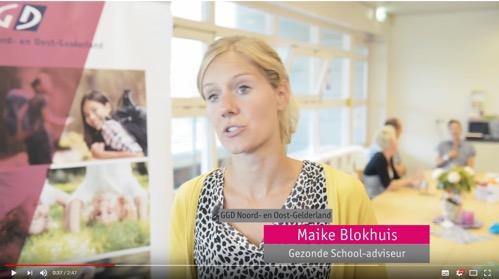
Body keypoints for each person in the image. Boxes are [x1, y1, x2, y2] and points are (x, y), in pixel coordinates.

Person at [168, 36, 383, 279]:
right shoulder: (190, 200)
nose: (225, 107)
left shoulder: (344, 194)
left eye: (242, 88)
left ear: (280, 94)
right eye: (213, 96)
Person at [66, 162, 148, 232]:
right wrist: (142, 226)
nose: (102, 206)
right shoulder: (124, 187)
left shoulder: (92, 188)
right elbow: (141, 199)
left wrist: (75, 234)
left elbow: (74, 203)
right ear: (121, 208)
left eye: (98, 213)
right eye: (109, 211)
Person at [80, 90, 144, 159]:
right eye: (87, 115)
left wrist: (101, 155)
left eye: (94, 110)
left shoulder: (108, 127)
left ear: (107, 107)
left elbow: (138, 155)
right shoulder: (101, 132)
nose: (91, 117)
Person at [363, 126, 418, 199]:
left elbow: (396, 179)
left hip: (385, 196)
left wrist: (413, 181)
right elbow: (389, 186)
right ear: (390, 143)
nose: (398, 142)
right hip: (374, 200)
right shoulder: (379, 159)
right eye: (395, 140)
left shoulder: (389, 157)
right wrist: (409, 180)